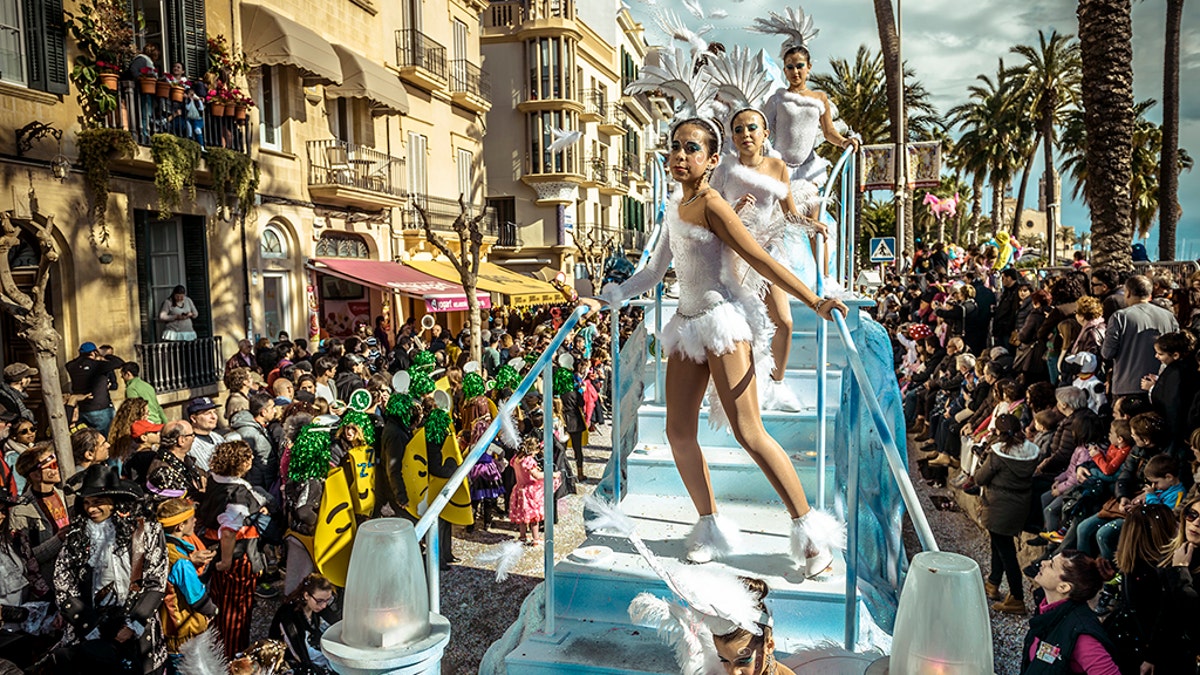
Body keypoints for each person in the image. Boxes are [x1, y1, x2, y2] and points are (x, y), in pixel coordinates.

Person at [583, 115, 847, 575]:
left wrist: (815, 300)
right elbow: (652, 272)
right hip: (686, 325)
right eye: (676, 147)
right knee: (678, 434)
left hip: (722, 324)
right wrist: (611, 296)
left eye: (692, 149)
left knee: (750, 433)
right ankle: (709, 525)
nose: (680, 156)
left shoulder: (713, 205)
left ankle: (810, 535)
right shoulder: (673, 206)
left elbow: (758, 257)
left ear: (711, 160)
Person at [708, 97, 814, 411]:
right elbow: (709, 212)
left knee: (784, 321)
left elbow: (790, 213)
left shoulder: (778, 167)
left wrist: (814, 225)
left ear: (765, 133)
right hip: (734, 255)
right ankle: (734, 390)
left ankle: (777, 386)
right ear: (731, 136)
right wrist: (734, 210)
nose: (745, 134)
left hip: (767, 252)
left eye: (752, 127)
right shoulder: (724, 169)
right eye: (738, 129)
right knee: (738, 325)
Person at [50, 464, 168, 675]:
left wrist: (133, 625)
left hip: (137, 623)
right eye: (86, 503)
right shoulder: (76, 537)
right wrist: (91, 627)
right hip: (89, 626)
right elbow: (63, 584)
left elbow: (156, 580)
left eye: (97, 502)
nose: (91, 509)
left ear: (115, 502)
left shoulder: (147, 531)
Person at [197, 441, 265, 658]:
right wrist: (226, 561)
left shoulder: (214, 481)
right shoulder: (237, 492)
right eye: (248, 457)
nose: (252, 461)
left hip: (216, 550)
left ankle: (218, 652)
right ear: (240, 462)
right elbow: (229, 531)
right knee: (237, 613)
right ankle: (232, 657)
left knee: (221, 606)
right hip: (236, 558)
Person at [974, 414, 1040, 614]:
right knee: (999, 543)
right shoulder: (1031, 452)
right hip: (1019, 505)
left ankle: (1017, 598)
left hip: (998, 506)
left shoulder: (999, 454)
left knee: (1007, 552)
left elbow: (980, 478)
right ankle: (993, 582)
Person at [1104, 503, 1175, 672]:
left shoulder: (1133, 563)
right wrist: (1152, 655)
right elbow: (1159, 617)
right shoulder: (1153, 573)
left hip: (1123, 638)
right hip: (1142, 649)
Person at [1024, 551, 1119, 673]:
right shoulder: (1046, 608)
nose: (1043, 563)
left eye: (1052, 565)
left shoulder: (1081, 635)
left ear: (1063, 587)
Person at [156, 497, 217, 658]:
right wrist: (213, 611)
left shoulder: (160, 547)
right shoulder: (181, 563)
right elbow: (196, 598)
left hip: (166, 628)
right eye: (191, 519)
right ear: (180, 525)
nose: (195, 521)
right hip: (184, 634)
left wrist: (191, 560)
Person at [1145, 495, 1200, 673]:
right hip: (1167, 653)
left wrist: (1180, 571)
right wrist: (1151, 655)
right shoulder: (1173, 553)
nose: (1196, 523)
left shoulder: (1179, 562)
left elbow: (1192, 615)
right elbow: (1165, 611)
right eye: (1192, 515)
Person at [1102, 275, 1179, 398]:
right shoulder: (1168, 316)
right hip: (1159, 386)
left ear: (1128, 293)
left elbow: (1107, 353)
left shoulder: (1120, 317)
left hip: (1126, 387)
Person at [9, 444, 68, 596]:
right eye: (52, 465)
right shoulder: (20, 511)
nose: (57, 468)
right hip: (48, 585)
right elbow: (26, 559)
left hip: (72, 577)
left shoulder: (67, 497)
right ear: (35, 475)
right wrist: (59, 539)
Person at [269, 573, 339, 674]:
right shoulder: (289, 614)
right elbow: (297, 652)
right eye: (319, 601)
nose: (324, 606)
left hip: (311, 649)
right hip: (289, 658)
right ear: (306, 595)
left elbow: (334, 624)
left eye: (327, 600)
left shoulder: (318, 604)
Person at [66, 341, 124, 434]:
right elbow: (119, 362)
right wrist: (105, 355)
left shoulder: (71, 366)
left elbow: (70, 363)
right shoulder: (98, 365)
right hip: (100, 408)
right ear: (94, 352)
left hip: (83, 409)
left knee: (89, 438)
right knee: (105, 438)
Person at [146, 420, 207, 503]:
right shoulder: (162, 471)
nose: (193, 438)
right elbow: (172, 506)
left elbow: (203, 475)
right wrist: (202, 495)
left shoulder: (185, 460)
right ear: (181, 440)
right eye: (192, 435)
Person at [230, 392, 279, 492]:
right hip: (260, 484)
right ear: (263, 412)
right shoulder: (249, 433)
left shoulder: (260, 427)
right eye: (272, 407)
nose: (275, 411)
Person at [509, 437, 547, 546]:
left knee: (522, 516)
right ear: (533, 450)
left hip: (519, 489)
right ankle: (536, 539)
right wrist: (550, 474)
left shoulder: (516, 458)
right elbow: (536, 475)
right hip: (529, 491)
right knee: (533, 517)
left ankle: (522, 536)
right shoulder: (529, 460)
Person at [187, 396, 225, 472]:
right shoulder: (191, 444)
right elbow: (207, 470)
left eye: (214, 412)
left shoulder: (217, 437)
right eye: (208, 413)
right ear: (194, 418)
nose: (214, 417)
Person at [3, 418, 36, 495]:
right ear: (14, 436)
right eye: (24, 432)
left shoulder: (31, 451)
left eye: (32, 429)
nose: (30, 433)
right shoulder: (13, 457)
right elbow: (17, 485)